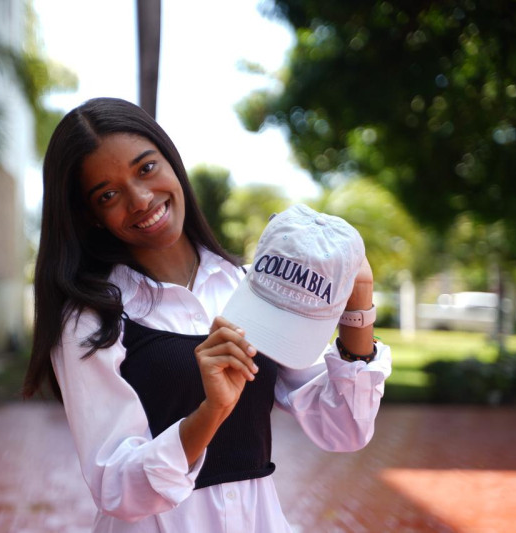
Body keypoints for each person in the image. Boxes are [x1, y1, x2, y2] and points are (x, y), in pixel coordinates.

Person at [23, 97, 391, 533]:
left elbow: (344, 428)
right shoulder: (91, 318)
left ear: (172, 163)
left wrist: (358, 301)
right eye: (109, 194)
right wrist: (210, 412)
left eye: (146, 168)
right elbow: (116, 486)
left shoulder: (251, 288)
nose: (140, 199)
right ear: (91, 215)